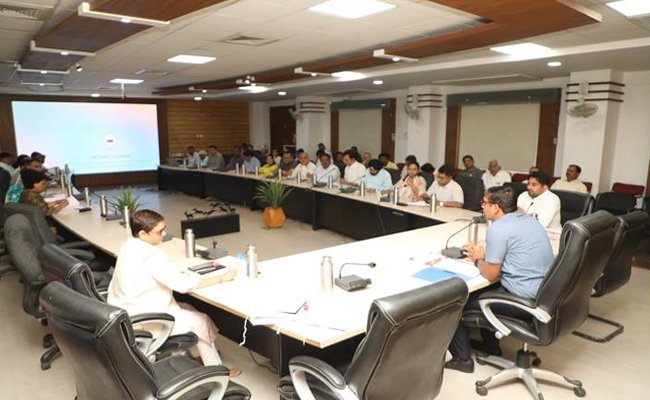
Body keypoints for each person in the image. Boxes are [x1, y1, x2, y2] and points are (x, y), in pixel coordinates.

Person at [107, 210, 235, 371]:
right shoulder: (152, 256)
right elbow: (183, 286)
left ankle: (198, 357)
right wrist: (221, 278)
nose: (164, 234)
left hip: (126, 310)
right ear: (143, 233)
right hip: (146, 320)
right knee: (201, 321)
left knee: (189, 308)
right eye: (159, 231)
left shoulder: (128, 245)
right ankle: (217, 370)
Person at [445, 186, 554, 373]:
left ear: (496, 207)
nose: (482, 206)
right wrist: (487, 256)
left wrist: (477, 260)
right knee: (482, 292)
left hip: (523, 300)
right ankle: (491, 347)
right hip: (545, 294)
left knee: (455, 302)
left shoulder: (498, 228)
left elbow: (491, 274)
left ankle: (462, 360)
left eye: (484, 202)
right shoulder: (530, 220)